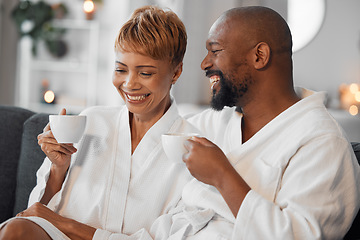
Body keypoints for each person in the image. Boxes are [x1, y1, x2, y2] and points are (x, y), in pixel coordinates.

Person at [140, 6, 360, 239]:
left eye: (215, 51)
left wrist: (222, 176)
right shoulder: (217, 122)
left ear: (259, 56)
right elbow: (151, 135)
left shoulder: (322, 143)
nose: (204, 63)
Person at [0, 5, 198, 240]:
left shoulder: (193, 149)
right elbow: (36, 216)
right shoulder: (91, 121)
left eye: (145, 73)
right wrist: (58, 169)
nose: (129, 84)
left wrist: (68, 225)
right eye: (120, 69)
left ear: (176, 72)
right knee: (15, 230)